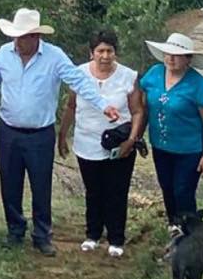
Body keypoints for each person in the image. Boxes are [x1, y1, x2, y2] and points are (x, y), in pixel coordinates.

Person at [0, 8, 120, 256]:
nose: (21, 41)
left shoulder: (54, 57)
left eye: (27, 36)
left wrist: (102, 104)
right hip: (9, 130)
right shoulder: (3, 53)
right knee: (10, 183)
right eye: (18, 36)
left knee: (41, 185)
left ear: (36, 36)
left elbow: (78, 81)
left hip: (40, 133)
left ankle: (42, 235)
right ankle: (15, 230)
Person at [57, 29, 144, 258]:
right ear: (91, 53)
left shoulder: (128, 76)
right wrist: (62, 135)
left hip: (119, 144)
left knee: (117, 191)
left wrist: (131, 140)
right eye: (100, 51)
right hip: (87, 142)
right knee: (93, 191)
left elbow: (137, 111)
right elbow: (71, 107)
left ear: (116, 53)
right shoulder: (79, 74)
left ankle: (116, 238)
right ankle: (92, 234)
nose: (105, 56)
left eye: (109, 51)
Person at [140, 32, 203, 231]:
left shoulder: (198, 85)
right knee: (167, 187)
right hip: (161, 145)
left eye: (177, 55)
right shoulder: (154, 74)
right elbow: (142, 104)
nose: (170, 58)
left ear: (188, 59)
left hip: (190, 150)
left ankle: (190, 229)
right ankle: (174, 225)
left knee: (184, 190)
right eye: (167, 53)